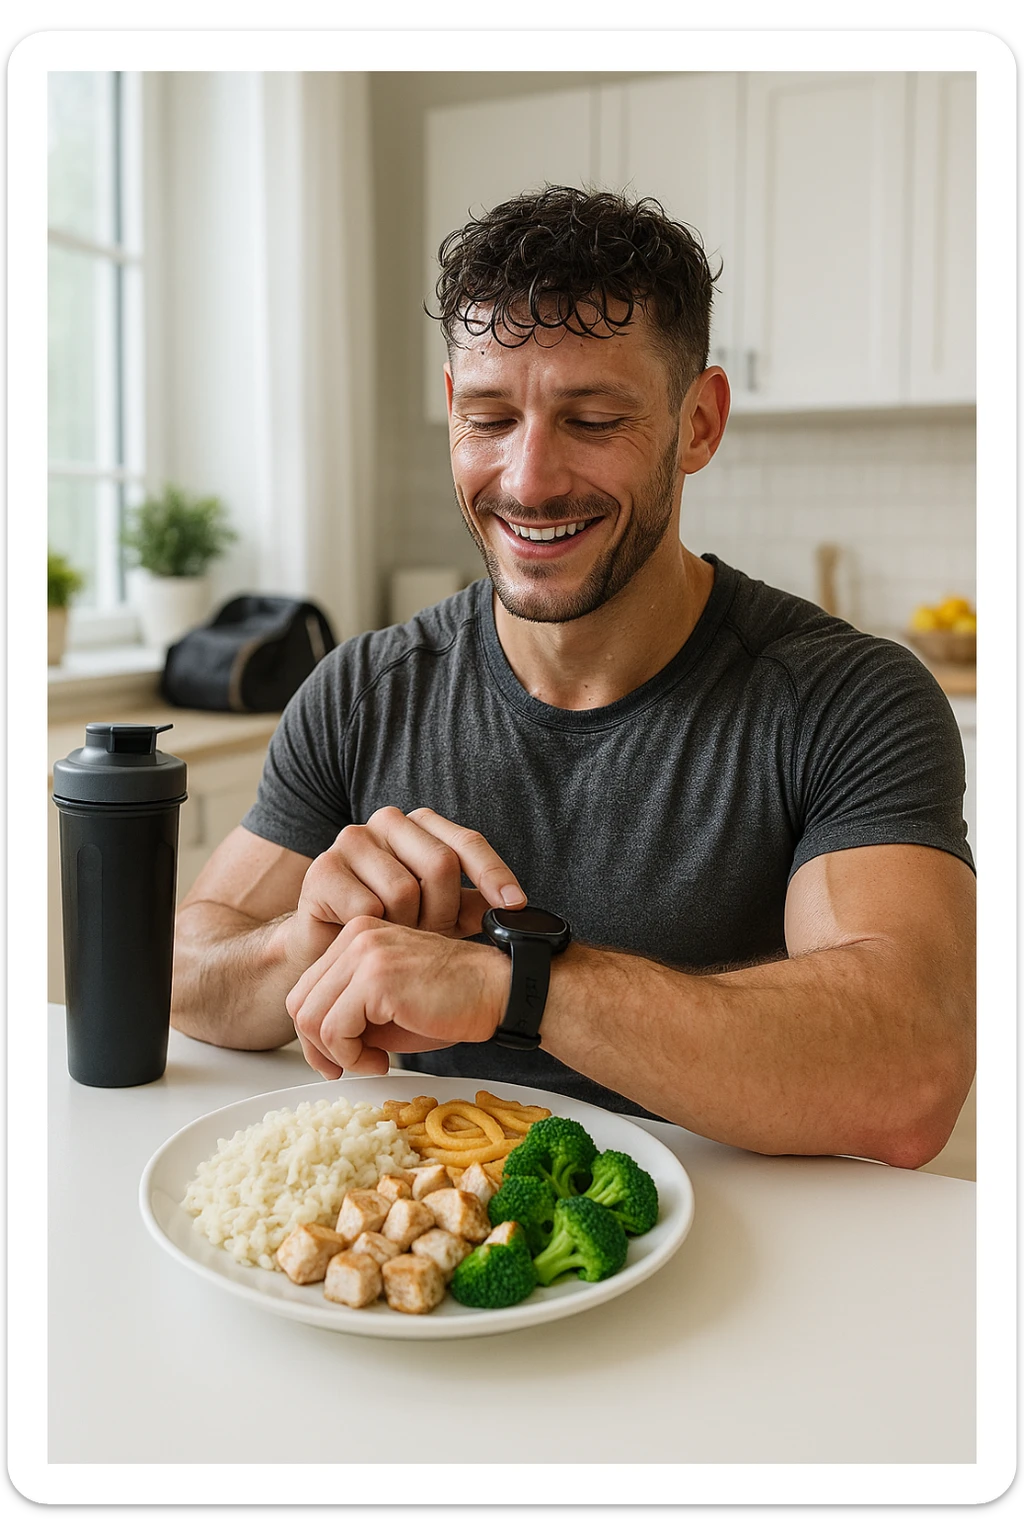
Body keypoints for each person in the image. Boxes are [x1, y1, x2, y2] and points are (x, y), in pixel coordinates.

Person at [171, 185, 975, 1168]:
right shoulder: (363, 689)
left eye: (593, 418)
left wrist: (519, 983)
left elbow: (910, 1071)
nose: (527, 478)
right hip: (434, 1266)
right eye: (489, 416)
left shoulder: (842, 699)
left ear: (699, 424)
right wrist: (305, 943)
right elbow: (176, 969)